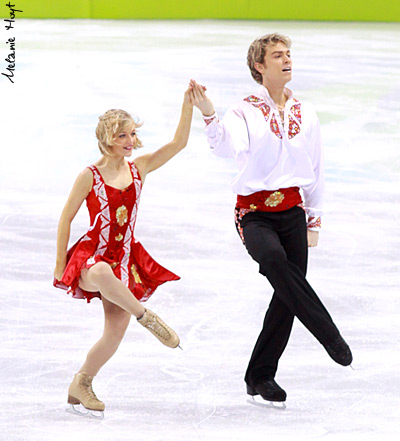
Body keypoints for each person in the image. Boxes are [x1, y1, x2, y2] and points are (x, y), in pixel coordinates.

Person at [190, 33, 352, 403]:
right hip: (255, 214)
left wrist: (314, 219)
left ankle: (260, 376)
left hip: (293, 212)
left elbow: (316, 168)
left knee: (286, 294)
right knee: (276, 263)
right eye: (277, 55)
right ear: (259, 67)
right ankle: (327, 332)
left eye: (288, 53)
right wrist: (209, 113)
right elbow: (224, 148)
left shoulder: (305, 112)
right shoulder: (243, 110)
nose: (286, 59)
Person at [53, 83, 195, 415]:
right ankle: (148, 318)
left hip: (126, 263)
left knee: (112, 336)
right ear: (106, 139)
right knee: (101, 271)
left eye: (132, 135)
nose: (130, 142)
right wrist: (60, 265)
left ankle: (82, 382)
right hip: (92, 259)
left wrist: (188, 105)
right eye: (122, 137)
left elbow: (179, 144)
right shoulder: (89, 176)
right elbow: (66, 219)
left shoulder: (138, 168)